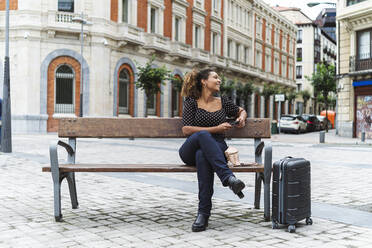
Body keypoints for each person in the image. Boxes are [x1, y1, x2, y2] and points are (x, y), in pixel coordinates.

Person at [178, 69, 248, 232]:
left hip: (215, 149)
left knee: (203, 156)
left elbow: (241, 110)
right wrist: (216, 128)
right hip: (191, 147)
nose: (219, 80)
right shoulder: (191, 101)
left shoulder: (223, 101)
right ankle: (228, 178)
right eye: (215, 77)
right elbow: (186, 130)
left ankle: (203, 214)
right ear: (204, 81)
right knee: (202, 136)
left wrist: (242, 117)